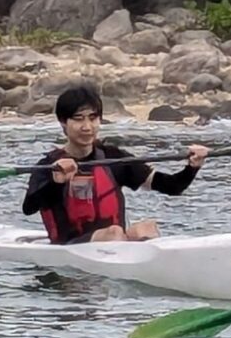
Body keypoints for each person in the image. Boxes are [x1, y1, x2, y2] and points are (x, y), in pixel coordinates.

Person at [23, 85, 209, 243]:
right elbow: (29, 208)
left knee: (146, 228)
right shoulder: (49, 165)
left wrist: (192, 167)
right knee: (114, 232)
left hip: (114, 244)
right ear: (63, 123)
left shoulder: (113, 158)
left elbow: (172, 186)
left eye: (93, 118)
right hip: (70, 245)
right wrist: (57, 182)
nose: (87, 127)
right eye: (79, 119)